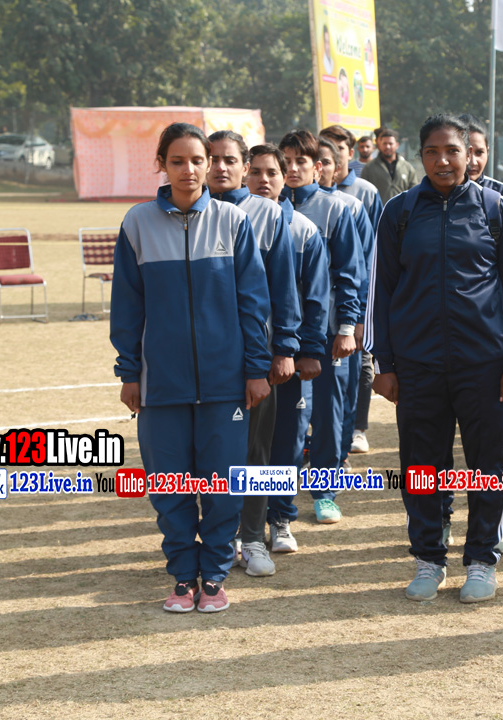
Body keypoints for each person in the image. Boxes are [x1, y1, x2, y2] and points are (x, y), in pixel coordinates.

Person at [366, 113, 503, 603]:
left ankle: (482, 559)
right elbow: (381, 289)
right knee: (421, 465)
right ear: (420, 156)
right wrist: (384, 363)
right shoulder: (399, 212)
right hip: (417, 365)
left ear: (469, 154)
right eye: (432, 152)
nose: (443, 160)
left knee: (487, 465)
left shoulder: (497, 210)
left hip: (484, 365)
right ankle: (428, 558)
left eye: (452, 151)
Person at [111, 122, 272, 613]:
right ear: (161, 164)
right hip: (161, 386)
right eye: (177, 161)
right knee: (170, 487)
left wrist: (256, 369)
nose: (189, 169)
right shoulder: (137, 223)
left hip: (226, 386)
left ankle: (215, 577)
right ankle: (183, 577)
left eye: (198, 160)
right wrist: (130, 372)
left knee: (222, 488)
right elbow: (127, 308)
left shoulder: (233, 222)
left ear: (210, 164)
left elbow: (253, 303)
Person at [206, 131, 300, 578]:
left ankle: (253, 538)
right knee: (208, 454)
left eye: (229, 160)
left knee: (257, 452)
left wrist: (284, 349)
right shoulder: (186, 213)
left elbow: (284, 287)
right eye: (212, 159)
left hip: (256, 357)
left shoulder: (268, 214)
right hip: (203, 359)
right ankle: (219, 539)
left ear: (243, 167)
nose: (219, 167)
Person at [251, 143, 332, 551]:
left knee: (287, 440)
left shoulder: (302, 229)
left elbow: (316, 297)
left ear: (286, 180)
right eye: (255, 172)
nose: (263, 180)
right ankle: (245, 526)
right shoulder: (229, 224)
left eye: (272, 172)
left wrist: (310, 351)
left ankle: (280, 518)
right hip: (244, 360)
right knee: (247, 446)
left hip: (289, 360)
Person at [278, 129, 361, 522]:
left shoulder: (336, 209)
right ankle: (278, 497)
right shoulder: (266, 208)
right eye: (286, 161)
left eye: (302, 161)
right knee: (286, 418)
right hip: (279, 334)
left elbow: (349, 272)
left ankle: (325, 492)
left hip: (325, 332)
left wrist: (346, 326)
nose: (293, 169)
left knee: (328, 414)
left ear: (317, 167)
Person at [313, 137, 376, 476]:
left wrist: (359, 318)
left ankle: (339, 454)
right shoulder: (282, 209)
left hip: (340, 321)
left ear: (337, 166)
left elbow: (362, 267)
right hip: (303, 327)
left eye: (325, 161)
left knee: (342, 394)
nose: (319, 168)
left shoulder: (349, 206)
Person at [361, 127, 420, 201]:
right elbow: (363, 192)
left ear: (397, 145)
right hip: (380, 208)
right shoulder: (369, 167)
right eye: (384, 143)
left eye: (390, 143)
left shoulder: (407, 167)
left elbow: (414, 191)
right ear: (380, 145)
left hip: (403, 208)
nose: (387, 146)